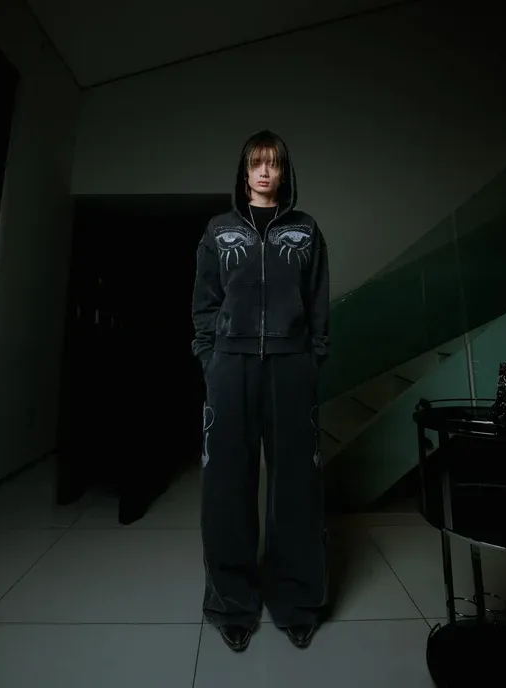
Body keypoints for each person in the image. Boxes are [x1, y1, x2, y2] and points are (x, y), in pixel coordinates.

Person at [191, 129, 330, 652]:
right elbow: (204, 303)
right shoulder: (219, 230)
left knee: (297, 487)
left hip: (291, 369)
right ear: (245, 171)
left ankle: (298, 602)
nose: (265, 172)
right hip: (231, 369)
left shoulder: (306, 230)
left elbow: (318, 304)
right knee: (226, 488)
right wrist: (211, 360)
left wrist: (311, 360)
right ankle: (232, 604)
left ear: (284, 170)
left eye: (273, 163)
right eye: (256, 163)